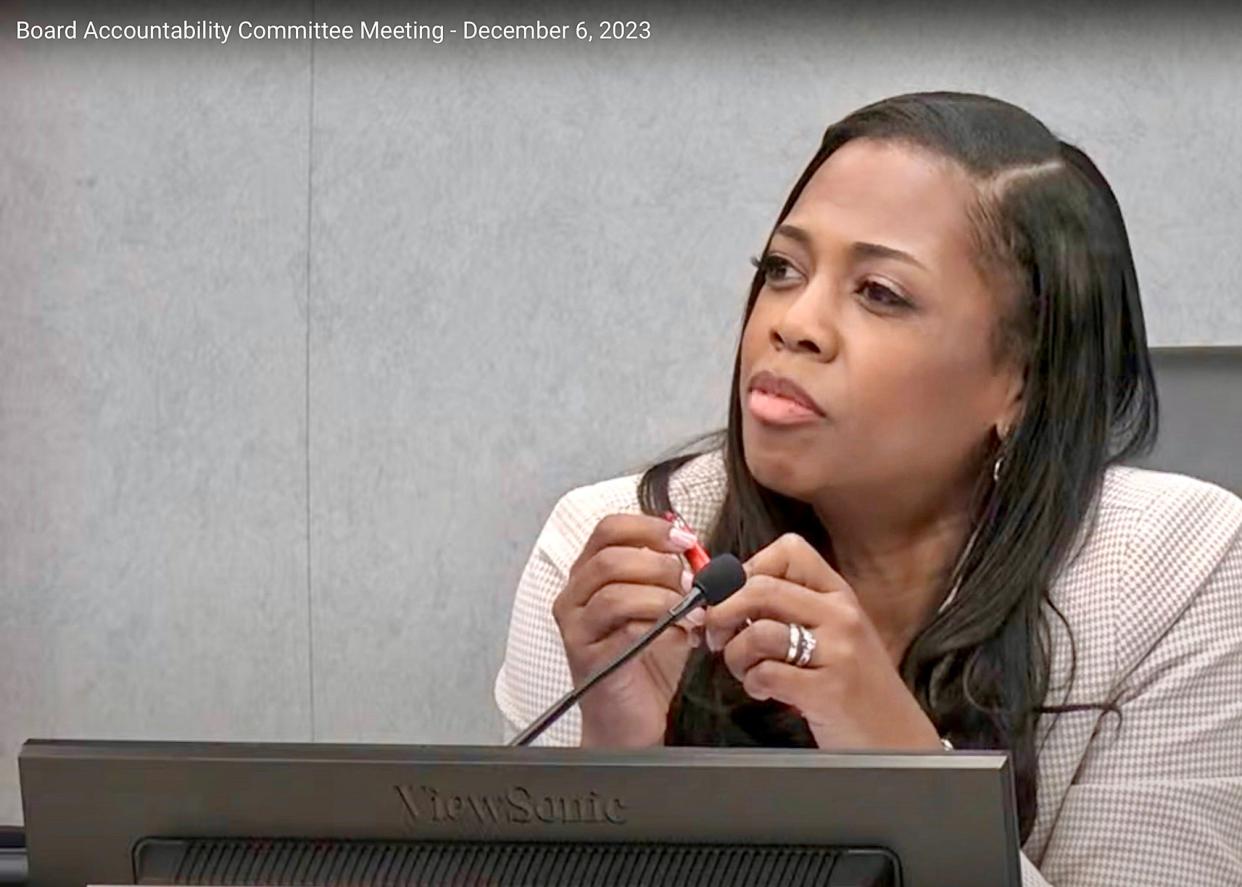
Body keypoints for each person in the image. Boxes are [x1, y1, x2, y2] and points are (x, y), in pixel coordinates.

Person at [493, 91, 1242, 885]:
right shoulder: (611, 544)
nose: (794, 322)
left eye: (880, 293)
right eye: (783, 269)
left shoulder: (1178, 569)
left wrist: (898, 761)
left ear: (1020, 381)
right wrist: (615, 761)